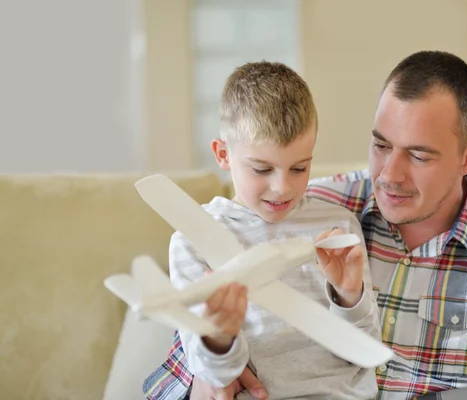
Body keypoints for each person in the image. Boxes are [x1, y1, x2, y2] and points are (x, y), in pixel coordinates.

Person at [144, 51, 467, 399]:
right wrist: (209, 374)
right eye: (381, 145)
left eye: (418, 156)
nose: (390, 175)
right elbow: (202, 329)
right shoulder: (310, 207)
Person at [144, 61, 382, 400]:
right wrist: (218, 338)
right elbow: (212, 376)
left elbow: (364, 352)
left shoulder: (339, 227)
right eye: (262, 169)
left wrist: (349, 296)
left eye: (299, 168)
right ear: (223, 154)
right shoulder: (192, 239)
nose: (282, 187)